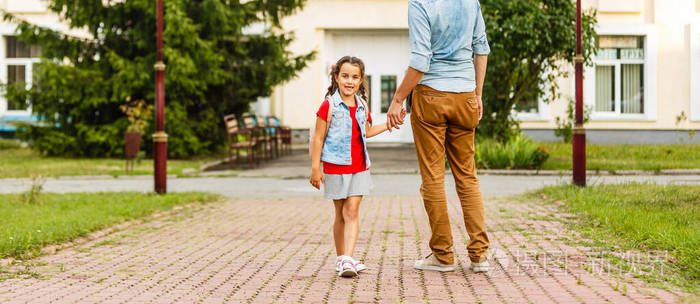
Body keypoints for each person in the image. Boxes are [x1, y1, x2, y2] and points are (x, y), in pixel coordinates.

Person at [386, 0, 491, 273]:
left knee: (433, 177)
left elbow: (421, 60)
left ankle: (443, 255)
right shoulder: (471, 2)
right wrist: (477, 94)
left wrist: (398, 99)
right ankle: (479, 256)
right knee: (467, 177)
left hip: (431, 94)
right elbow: (481, 49)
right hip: (466, 95)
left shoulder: (421, 4)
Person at [309, 56, 406, 278]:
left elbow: (368, 131)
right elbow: (318, 138)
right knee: (340, 214)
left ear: (361, 80)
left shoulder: (362, 105)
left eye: (354, 77)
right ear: (336, 78)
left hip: (360, 166)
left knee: (351, 210)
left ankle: (347, 259)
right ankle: (343, 258)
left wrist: (391, 123)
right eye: (345, 76)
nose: (349, 81)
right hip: (335, 166)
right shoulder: (329, 105)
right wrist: (315, 168)